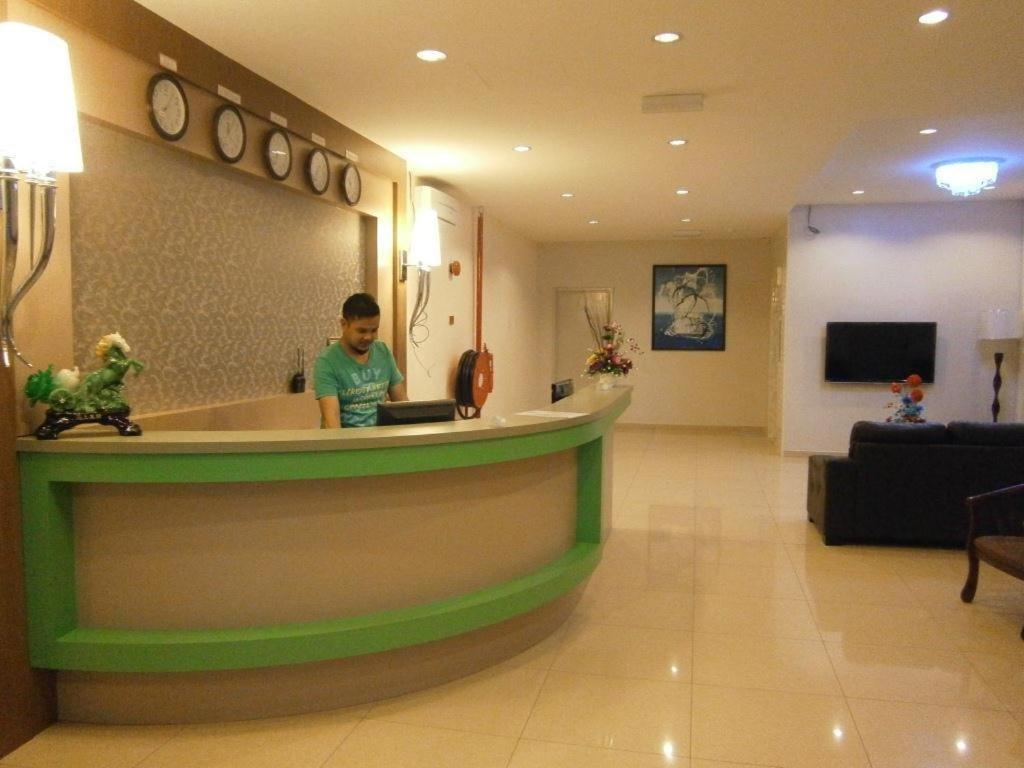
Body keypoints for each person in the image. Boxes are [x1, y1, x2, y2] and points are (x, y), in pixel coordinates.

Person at [314, 292, 407, 427]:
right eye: (361, 331)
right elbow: (331, 421)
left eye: (374, 330)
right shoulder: (327, 361)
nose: (369, 337)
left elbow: (402, 403)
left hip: (382, 441)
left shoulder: (383, 352)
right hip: (349, 444)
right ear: (344, 324)